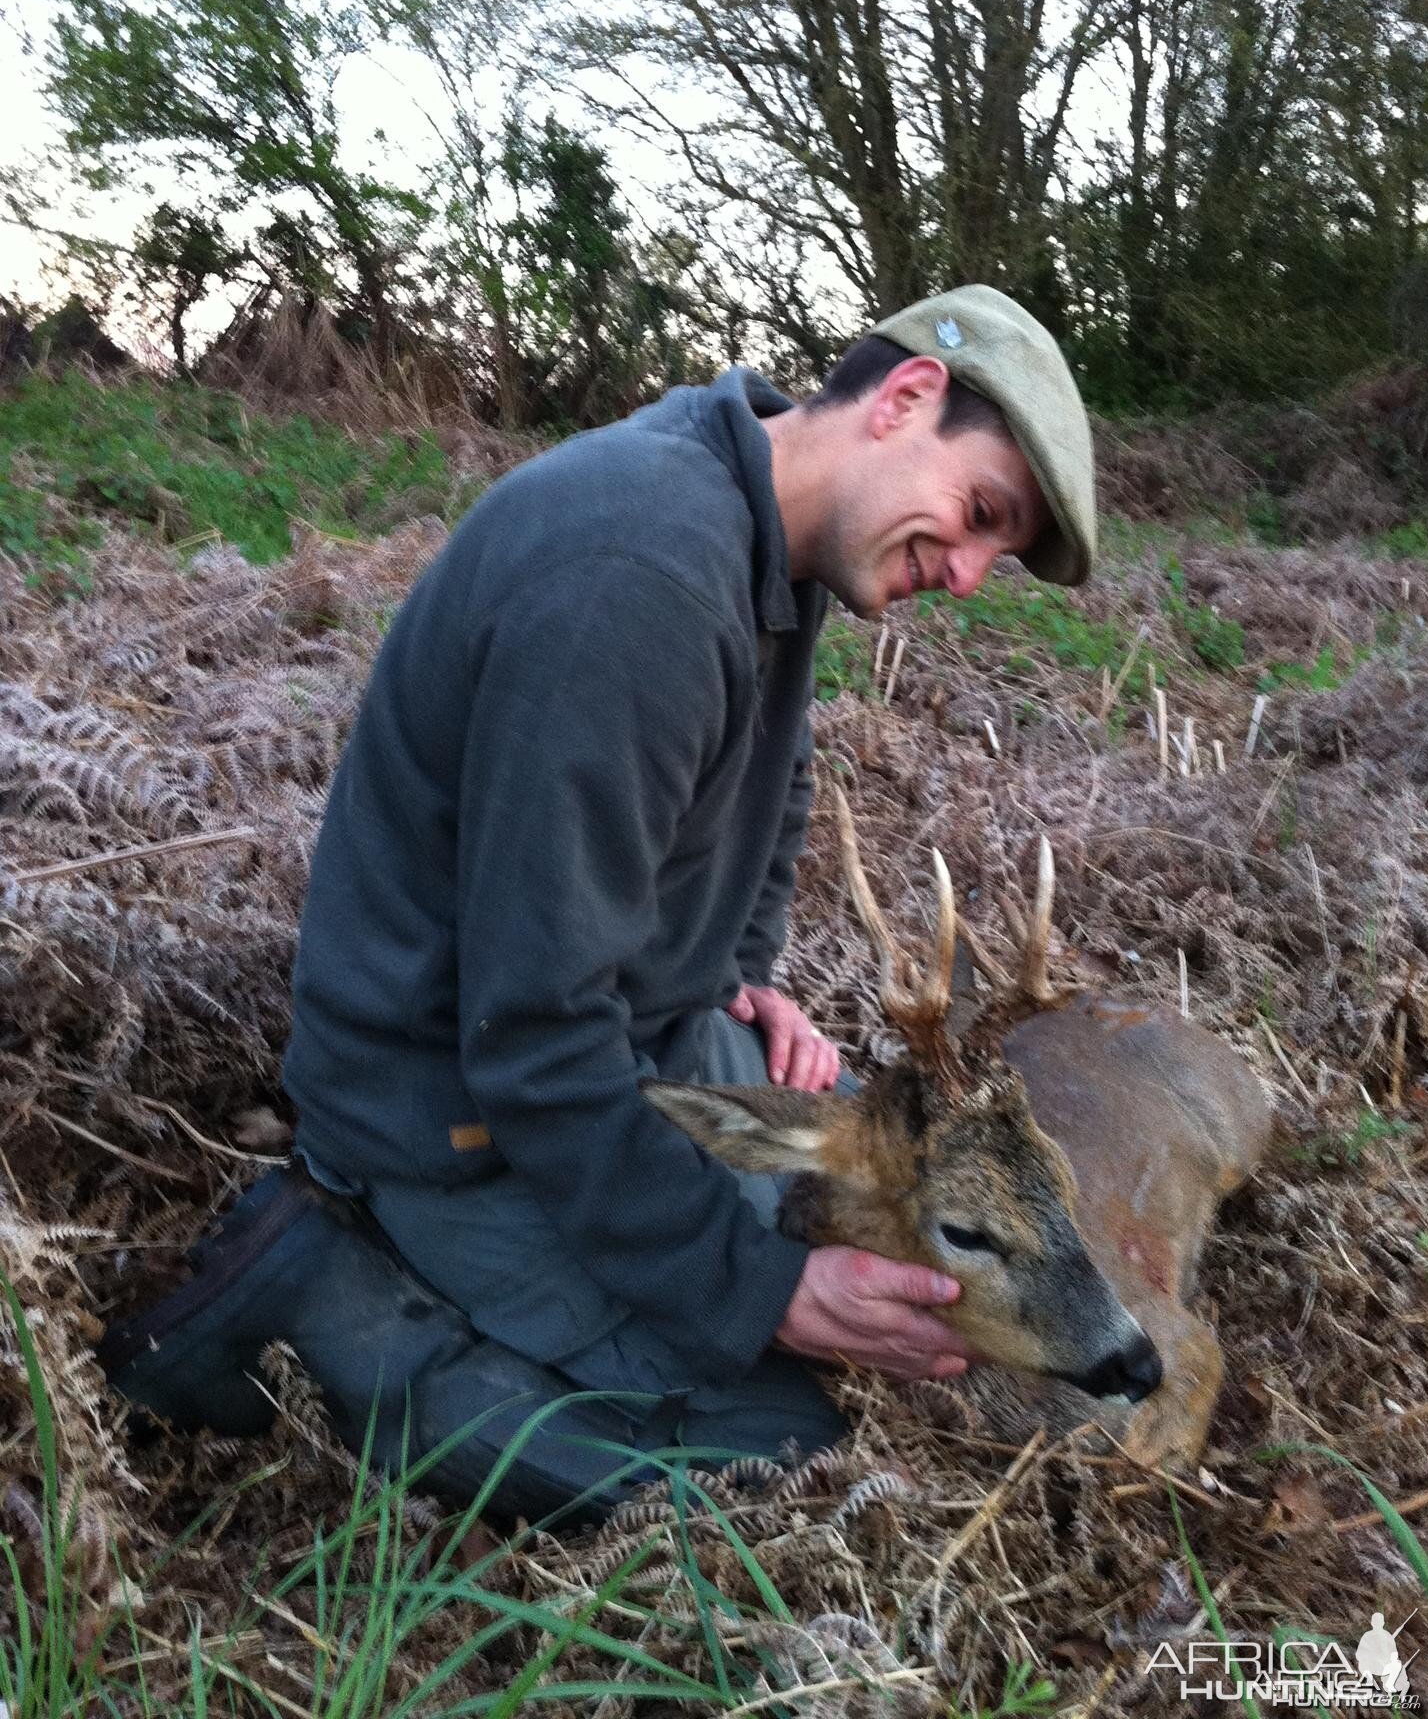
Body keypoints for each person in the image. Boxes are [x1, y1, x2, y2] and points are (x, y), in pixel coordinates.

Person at [103, 285, 1097, 1525]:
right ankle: (322, 1306)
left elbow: (770, 780)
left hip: (628, 1033)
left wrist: (743, 970)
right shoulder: (638, 576)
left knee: (872, 1221)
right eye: (981, 515)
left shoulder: (755, 516)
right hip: (452, 1115)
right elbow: (530, 1038)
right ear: (906, 400)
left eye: (995, 555)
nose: (965, 575)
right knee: (780, 1445)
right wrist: (757, 1292)